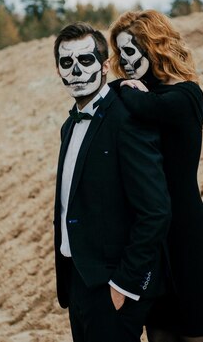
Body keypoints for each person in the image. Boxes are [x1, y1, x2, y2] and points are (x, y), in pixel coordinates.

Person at [52, 22, 172, 342]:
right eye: (66, 63)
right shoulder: (68, 126)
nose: (76, 70)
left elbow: (155, 210)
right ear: (59, 71)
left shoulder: (126, 119)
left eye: (86, 60)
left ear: (106, 66)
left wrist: (125, 285)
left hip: (113, 286)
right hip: (78, 278)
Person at [108, 10, 203, 342]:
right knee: (159, 336)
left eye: (130, 51)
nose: (124, 61)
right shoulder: (136, 92)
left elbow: (149, 109)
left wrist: (125, 90)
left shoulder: (186, 95)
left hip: (188, 240)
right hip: (151, 244)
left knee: (195, 336)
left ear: (153, 46)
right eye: (120, 53)